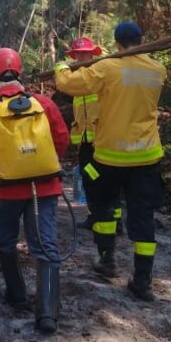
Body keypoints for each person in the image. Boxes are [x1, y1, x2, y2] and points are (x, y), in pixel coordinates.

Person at [54, 21, 167, 302]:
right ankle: (142, 280)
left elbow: (68, 84)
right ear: (142, 39)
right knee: (142, 216)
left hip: (109, 156)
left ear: (115, 44)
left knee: (103, 207)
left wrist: (59, 68)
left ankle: (107, 260)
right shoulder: (158, 70)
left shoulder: (107, 68)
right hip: (147, 155)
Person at [0, 47, 70, 334]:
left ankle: (16, 295)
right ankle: (48, 313)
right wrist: (42, 164)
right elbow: (61, 139)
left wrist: (0, 167)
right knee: (46, 246)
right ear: (20, 72)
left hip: (7, 191)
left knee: (5, 241)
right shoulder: (43, 103)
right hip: (46, 187)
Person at [66, 38, 124, 235]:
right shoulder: (77, 82)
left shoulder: (101, 74)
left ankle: (115, 219)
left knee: (108, 180)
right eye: (78, 54)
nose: (81, 57)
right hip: (86, 144)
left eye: (85, 54)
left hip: (103, 141)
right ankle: (95, 215)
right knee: (89, 177)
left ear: (93, 54)